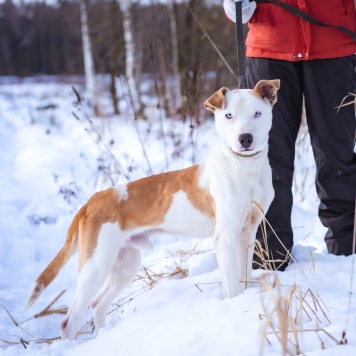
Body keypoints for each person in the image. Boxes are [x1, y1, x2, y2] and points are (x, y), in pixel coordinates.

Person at [223, 0, 356, 270]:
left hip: (334, 43)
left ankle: (349, 255)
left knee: (337, 155)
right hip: (269, 48)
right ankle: (270, 259)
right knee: (269, 160)